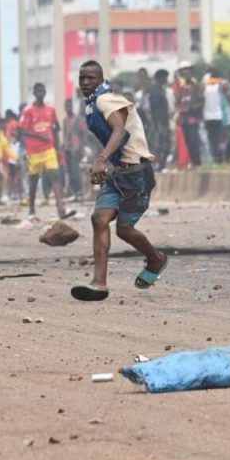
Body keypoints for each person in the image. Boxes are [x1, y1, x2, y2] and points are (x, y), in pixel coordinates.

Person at [71, 60, 166, 302]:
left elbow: (120, 131)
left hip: (136, 173)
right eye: (81, 78)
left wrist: (101, 159)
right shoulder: (92, 105)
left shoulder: (105, 100)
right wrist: (104, 164)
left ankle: (156, 259)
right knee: (99, 219)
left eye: (90, 78)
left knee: (124, 230)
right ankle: (99, 283)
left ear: (100, 79)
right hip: (117, 173)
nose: (84, 82)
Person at [20, 83, 72, 220]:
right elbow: (23, 130)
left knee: (55, 176)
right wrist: (39, 136)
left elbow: (56, 128)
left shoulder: (50, 109)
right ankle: (31, 209)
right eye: (37, 90)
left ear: (45, 92)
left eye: (42, 90)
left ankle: (61, 208)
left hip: (48, 149)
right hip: (33, 151)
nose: (40, 92)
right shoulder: (28, 111)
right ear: (34, 93)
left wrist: (57, 146)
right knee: (33, 180)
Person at [174, 62, 203, 167]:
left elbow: (201, 100)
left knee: (193, 139)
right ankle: (192, 161)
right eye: (184, 70)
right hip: (183, 117)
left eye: (188, 70)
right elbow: (178, 101)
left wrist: (193, 108)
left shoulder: (197, 85)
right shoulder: (180, 86)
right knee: (187, 141)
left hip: (193, 117)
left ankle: (197, 161)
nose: (186, 72)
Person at [61, 98, 87, 201]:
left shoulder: (78, 119)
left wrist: (81, 147)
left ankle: (79, 192)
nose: (68, 108)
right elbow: (64, 134)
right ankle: (75, 193)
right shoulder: (64, 120)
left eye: (70, 106)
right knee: (70, 171)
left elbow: (83, 133)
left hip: (76, 148)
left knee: (76, 171)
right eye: (66, 106)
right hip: (68, 148)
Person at [148, 70, 173, 171]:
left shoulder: (160, 90)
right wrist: (159, 125)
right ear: (160, 78)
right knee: (161, 145)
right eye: (165, 77)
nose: (166, 79)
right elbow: (157, 110)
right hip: (160, 123)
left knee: (165, 145)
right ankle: (158, 165)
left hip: (164, 122)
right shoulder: (156, 92)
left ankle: (161, 165)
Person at [203, 68, 228, 163]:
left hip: (208, 116)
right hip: (218, 116)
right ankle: (218, 157)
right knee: (218, 138)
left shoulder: (205, 86)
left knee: (212, 139)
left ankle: (215, 157)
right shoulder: (219, 85)